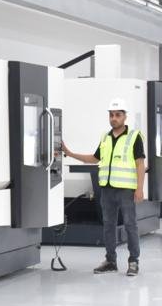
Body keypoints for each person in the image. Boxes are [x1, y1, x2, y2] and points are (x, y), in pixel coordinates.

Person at [61, 98, 146, 276]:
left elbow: (140, 164)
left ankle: (133, 261)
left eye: (118, 115)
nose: (114, 118)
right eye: (111, 115)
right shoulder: (105, 138)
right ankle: (110, 261)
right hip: (106, 189)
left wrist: (140, 188)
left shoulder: (134, 137)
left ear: (125, 117)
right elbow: (94, 158)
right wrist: (70, 153)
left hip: (126, 190)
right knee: (108, 225)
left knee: (130, 225)